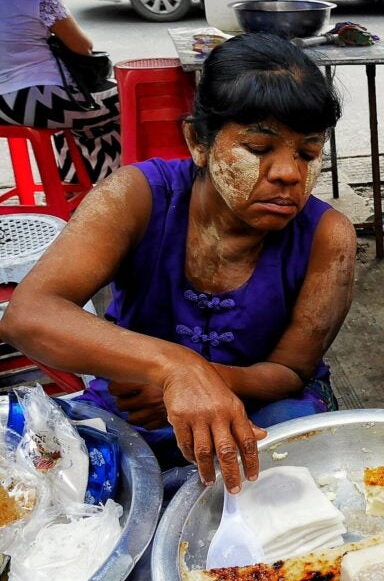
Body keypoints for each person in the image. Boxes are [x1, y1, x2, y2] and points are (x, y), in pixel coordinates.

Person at [0, 33, 356, 492]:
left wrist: (202, 381)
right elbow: (29, 315)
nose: (289, 172)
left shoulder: (327, 236)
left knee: (288, 494)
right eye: (260, 148)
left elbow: (290, 372)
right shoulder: (138, 196)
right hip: (135, 403)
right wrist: (170, 369)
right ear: (197, 142)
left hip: (259, 406)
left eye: (307, 152)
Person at [0, 0, 120, 183]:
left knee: (75, 116)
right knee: (129, 102)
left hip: (4, 108)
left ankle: (75, 186)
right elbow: (83, 46)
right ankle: (110, 191)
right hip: (38, 101)